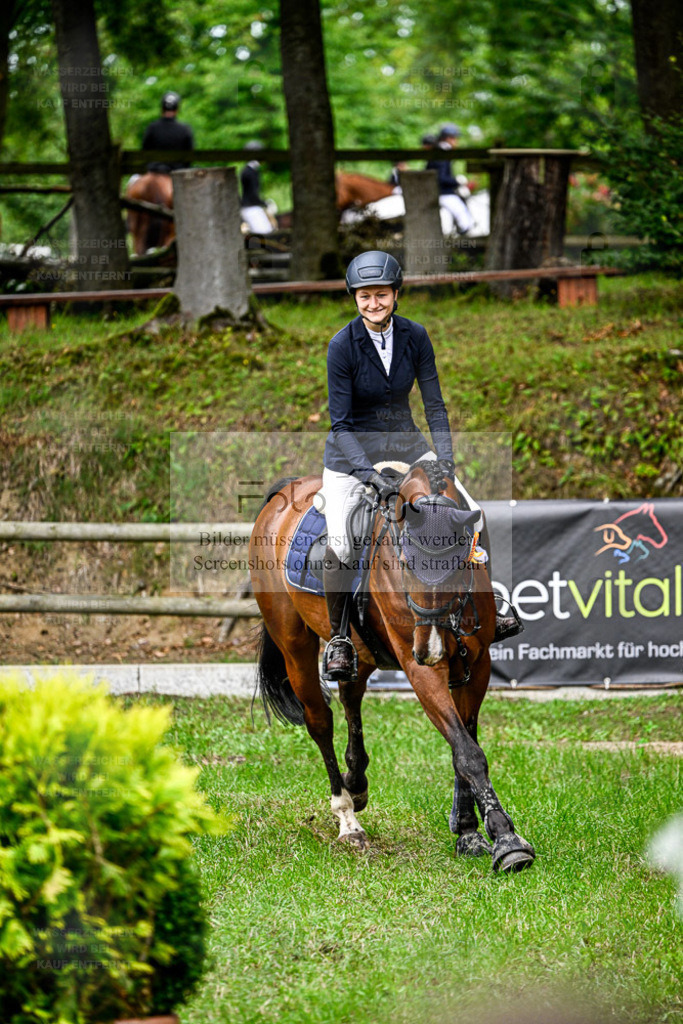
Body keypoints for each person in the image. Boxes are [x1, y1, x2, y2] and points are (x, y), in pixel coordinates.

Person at [319, 250, 522, 681]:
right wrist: (370, 477)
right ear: (355, 298)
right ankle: (338, 639)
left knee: (472, 511)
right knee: (341, 539)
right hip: (349, 456)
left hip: (408, 445)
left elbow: (435, 405)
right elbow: (339, 424)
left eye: (381, 295)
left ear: (396, 294)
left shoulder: (416, 336)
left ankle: (494, 607)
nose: (373, 303)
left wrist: (444, 458)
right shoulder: (342, 345)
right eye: (365, 297)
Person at [426, 122, 474, 235]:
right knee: (466, 221)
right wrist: (457, 181)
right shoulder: (443, 153)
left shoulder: (437, 151)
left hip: (440, 192)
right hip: (443, 194)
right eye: (456, 138)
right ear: (449, 138)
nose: (457, 142)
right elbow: (441, 178)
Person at [142, 92, 194, 174]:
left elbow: (145, 151)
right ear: (177, 109)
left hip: (154, 170)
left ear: (162, 108)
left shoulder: (152, 128)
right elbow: (189, 157)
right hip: (177, 172)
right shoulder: (185, 129)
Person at [239, 141, 274, 235]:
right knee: (265, 232)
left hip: (251, 206)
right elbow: (252, 194)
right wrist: (264, 203)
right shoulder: (250, 172)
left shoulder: (250, 170)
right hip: (251, 207)